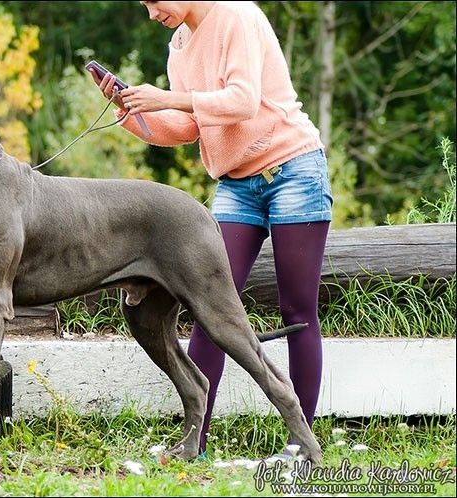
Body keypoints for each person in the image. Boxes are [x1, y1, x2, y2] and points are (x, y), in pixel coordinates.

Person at [89, 1, 333, 457]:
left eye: (154, 1)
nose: (151, 13)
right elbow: (188, 126)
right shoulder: (179, 44)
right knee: (208, 304)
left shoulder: (237, 15)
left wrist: (164, 97)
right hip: (236, 183)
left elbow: (242, 101)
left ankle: (301, 445)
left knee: (297, 309)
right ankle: (193, 444)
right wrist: (129, 110)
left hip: (293, 170)